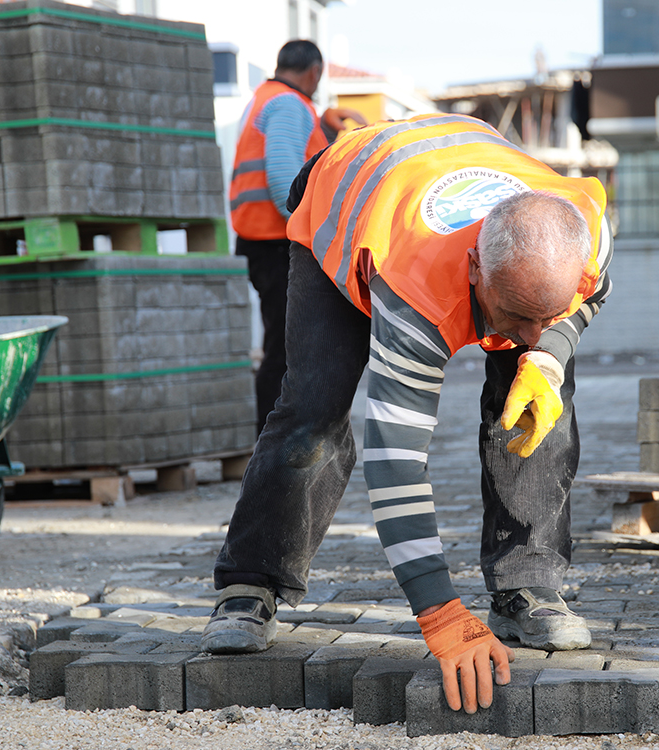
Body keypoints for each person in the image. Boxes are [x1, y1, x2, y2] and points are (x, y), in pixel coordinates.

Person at [203, 113, 614, 714]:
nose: (529, 334)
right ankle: (249, 581)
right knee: (312, 410)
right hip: (345, 199)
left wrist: (549, 355)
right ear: (475, 269)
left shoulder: (585, 233)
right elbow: (395, 463)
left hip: (448, 162)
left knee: (540, 400)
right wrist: (437, 608)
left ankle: (527, 584)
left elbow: (587, 299)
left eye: (545, 313)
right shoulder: (416, 289)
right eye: (517, 315)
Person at [229, 40, 366, 437]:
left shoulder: (268, 99)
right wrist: (322, 238)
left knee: (284, 345)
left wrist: (323, 126)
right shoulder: (288, 106)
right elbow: (282, 181)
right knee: (286, 350)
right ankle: (271, 446)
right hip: (277, 243)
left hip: (261, 238)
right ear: (315, 73)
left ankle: (274, 441)